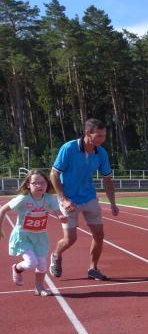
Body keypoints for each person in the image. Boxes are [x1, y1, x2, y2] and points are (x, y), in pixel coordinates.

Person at [49, 118, 119, 281]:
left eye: (104, 135)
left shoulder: (101, 153)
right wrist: (63, 199)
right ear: (88, 133)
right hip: (69, 199)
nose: (103, 139)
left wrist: (113, 203)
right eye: (99, 136)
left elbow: (107, 179)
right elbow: (54, 174)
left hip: (89, 197)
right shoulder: (68, 148)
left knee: (99, 235)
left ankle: (93, 268)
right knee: (70, 239)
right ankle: (56, 254)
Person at [0, 170, 65, 296]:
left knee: (42, 265)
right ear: (28, 185)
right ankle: (17, 268)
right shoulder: (23, 198)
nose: (39, 185)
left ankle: (39, 288)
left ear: (47, 184)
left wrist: (61, 217)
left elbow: (57, 211)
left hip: (40, 237)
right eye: (35, 183)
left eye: (42, 183)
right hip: (23, 236)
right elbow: (3, 209)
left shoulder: (49, 198)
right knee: (31, 263)